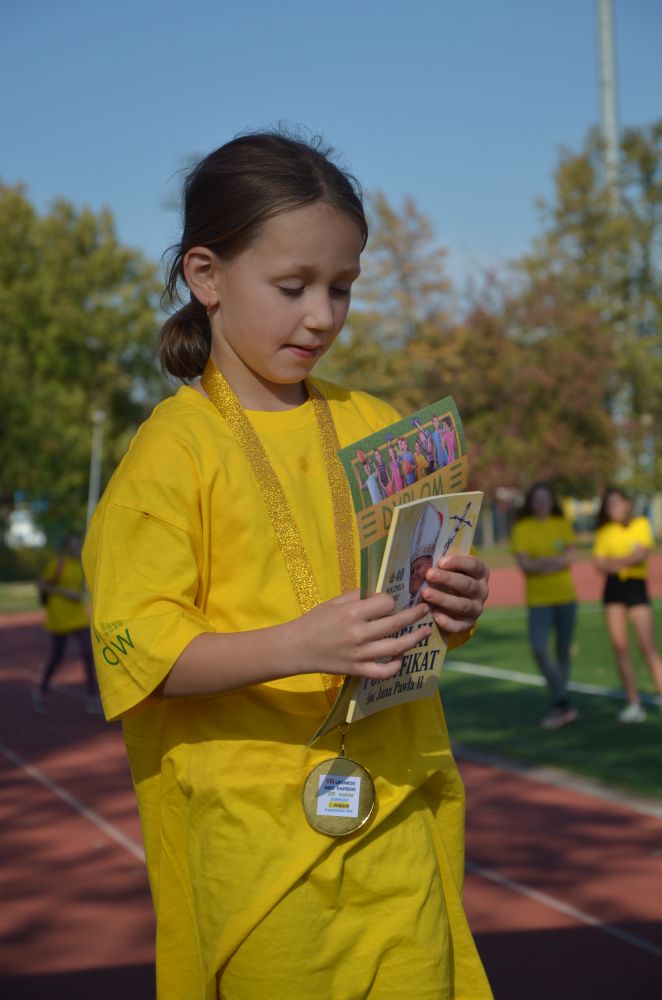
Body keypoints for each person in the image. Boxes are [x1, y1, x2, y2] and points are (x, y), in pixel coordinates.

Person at [82, 131, 492, 1000]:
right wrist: (299, 645)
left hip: (396, 823)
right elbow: (133, 648)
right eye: (293, 287)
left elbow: (412, 613)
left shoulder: (379, 425)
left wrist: (453, 606)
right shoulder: (172, 452)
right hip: (258, 858)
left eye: (342, 289)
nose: (322, 315)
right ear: (207, 276)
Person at [511, 482, 578, 729]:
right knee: (539, 648)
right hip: (538, 601)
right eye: (537, 499)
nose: (541, 503)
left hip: (566, 597)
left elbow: (571, 557)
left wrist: (541, 562)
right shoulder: (522, 528)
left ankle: (561, 706)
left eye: (546, 498)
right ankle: (564, 702)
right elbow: (526, 565)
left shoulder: (561, 524)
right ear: (531, 502)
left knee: (563, 654)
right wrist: (554, 562)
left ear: (552, 501)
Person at [592, 487, 662, 722]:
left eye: (618, 503)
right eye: (609, 504)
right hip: (613, 590)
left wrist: (616, 562)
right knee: (620, 648)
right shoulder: (604, 531)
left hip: (636, 588)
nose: (614, 508)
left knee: (647, 647)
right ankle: (634, 703)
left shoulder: (641, 524)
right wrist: (623, 561)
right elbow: (600, 565)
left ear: (627, 504)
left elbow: (642, 554)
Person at [33, 532, 99, 714]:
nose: (76, 548)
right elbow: (41, 584)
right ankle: (41, 690)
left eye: (78, 544)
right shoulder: (57, 564)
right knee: (57, 656)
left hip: (77, 616)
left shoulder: (82, 565)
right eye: (72, 545)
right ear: (66, 547)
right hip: (59, 617)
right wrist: (63, 591)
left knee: (88, 653)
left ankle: (93, 696)